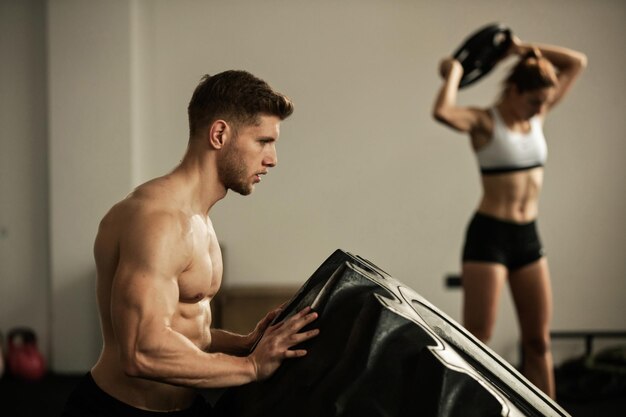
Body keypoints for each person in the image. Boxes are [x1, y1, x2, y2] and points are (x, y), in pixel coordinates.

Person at [62, 70, 320, 416]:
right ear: (219, 134)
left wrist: (246, 344)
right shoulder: (158, 220)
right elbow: (142, 349)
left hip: (185, 406)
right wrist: (251, 368)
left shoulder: (198, 218)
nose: (272, 158)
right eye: (263, 141)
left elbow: (185, 330)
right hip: (121, 410)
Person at [432, 36, 586, 398]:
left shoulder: (538, 114)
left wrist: (520, 47)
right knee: (476, 340)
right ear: (514, 91)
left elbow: (576, 61)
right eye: (533, 101)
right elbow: (443, 112)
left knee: (537, 341)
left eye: (544, 103)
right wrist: (454, 73)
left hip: (528, 236)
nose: (539, 109)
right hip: (490, 237)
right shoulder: (485, 122)